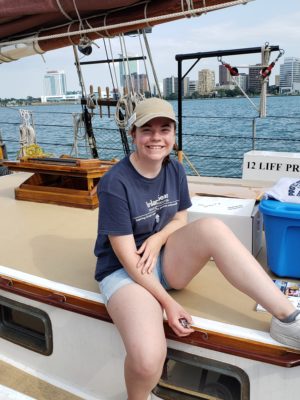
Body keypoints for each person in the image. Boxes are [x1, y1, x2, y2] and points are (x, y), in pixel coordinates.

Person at [94, 98, 300, 400]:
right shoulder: (115, 183)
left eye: (164, 129)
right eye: (146, 130)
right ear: (133, 135)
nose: (156, 138)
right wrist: (167, 303)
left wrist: (158, 238)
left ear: (173, 134)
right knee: (148, 359)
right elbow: (126, 257)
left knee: (212, 227)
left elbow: (179, 218)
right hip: (125, 273)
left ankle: (288, 319)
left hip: (162, 260)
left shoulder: (174, 169)